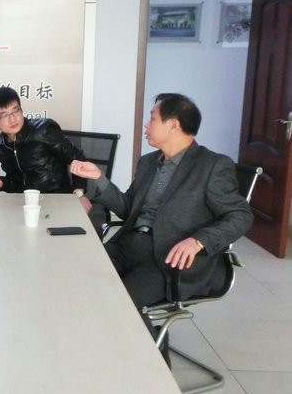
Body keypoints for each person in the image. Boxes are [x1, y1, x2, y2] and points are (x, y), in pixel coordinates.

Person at [70, 93, 253, 358]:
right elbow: (128, 208)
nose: (147, 125)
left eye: (152, 119)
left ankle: (155, 363)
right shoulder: (148, 162)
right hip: (129, 245)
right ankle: (110, 346)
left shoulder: (212, 166)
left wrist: (198, 241)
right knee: (76, 274)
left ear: (174, 125)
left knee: (120, 301)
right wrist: (99, 178)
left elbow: (240, 215)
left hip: (169, 261)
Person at [0, 86, 85, 193]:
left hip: (56, 197)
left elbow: (78, 159)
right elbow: (17, 185)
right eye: (5, 115)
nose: (13, 119)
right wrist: (2, 184)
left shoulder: (43, 130)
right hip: (26, 200)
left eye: (16, 111)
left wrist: (79, 192)